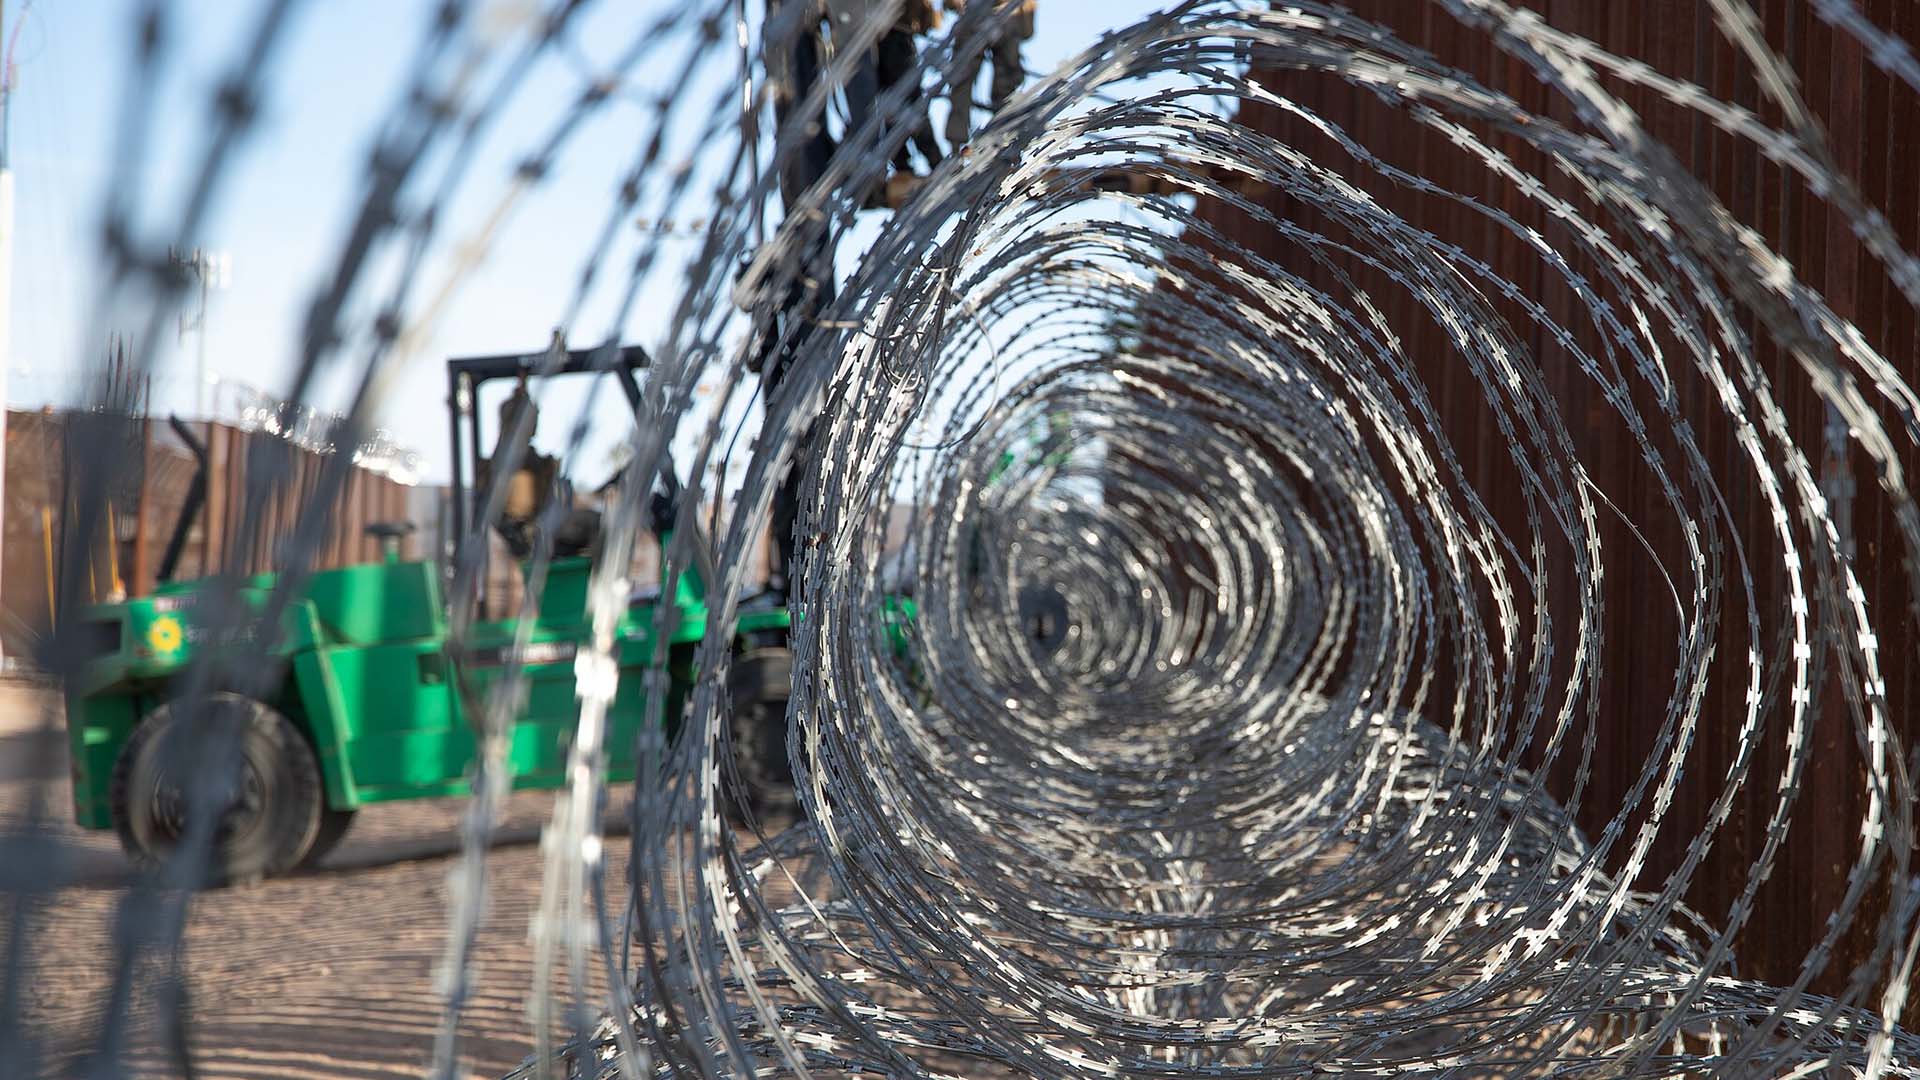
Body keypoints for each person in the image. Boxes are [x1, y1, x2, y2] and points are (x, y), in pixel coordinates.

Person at [943, 0, 1035, 151]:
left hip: (991, 16)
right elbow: (1027, 32)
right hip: (998, 17)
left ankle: (960, 146)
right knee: (1000, 87)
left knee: (963, 83)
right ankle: (1002, 142)